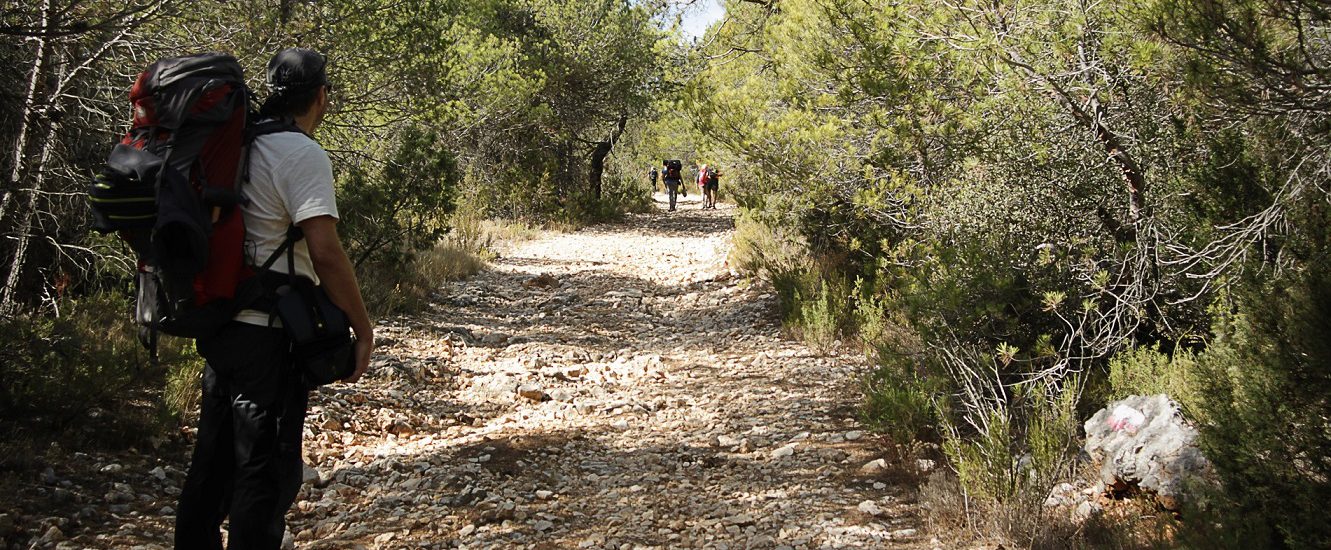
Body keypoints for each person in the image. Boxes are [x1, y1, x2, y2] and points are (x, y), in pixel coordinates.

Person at [174, 48, 374, 550]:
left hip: (222, 324)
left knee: (212, 466)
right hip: (269, 336)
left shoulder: (239, 144)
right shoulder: (302, 154)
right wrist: (362, 327)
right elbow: (325, 253)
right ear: (321, 96)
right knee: (264, 474)